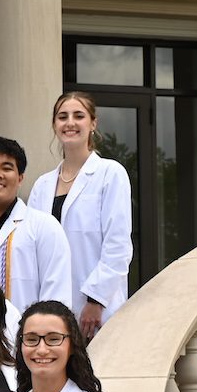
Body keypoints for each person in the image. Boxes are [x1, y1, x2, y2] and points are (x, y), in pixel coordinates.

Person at [27, 93, 133, 339]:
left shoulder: (110, 174)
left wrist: (96, 300)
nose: (70, 123)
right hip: (50, 309)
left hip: (97, 311)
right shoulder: (42, 185)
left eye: (79, 116)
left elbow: (117, 246)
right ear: (54, 125)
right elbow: (32, 249)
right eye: (62, 117)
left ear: (93, 123)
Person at [0, 137, 72, 346]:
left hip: (25, 345)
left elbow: (56, 296)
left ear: (20, 178)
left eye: (6, 168)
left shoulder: (44, 227)